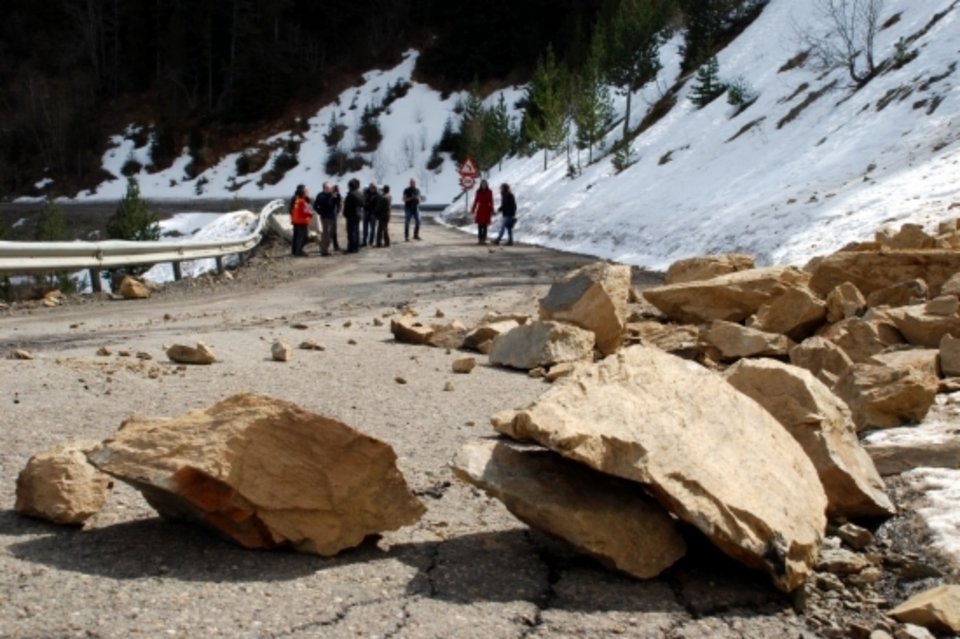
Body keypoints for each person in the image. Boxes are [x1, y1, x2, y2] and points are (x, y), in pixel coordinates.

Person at [313, 182, 337, 256]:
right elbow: (315, 205)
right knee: (326, 234)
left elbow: (336, 203)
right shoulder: (321, 196)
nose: (330, 189)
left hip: (333, 216)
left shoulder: (333, 195)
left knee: (331, 233)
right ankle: (324, 250)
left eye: (331, 188)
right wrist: (320, 212)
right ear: (324, 188)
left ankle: (327, 248)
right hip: (325, 217)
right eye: (328, 188)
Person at [289, 184, 312, 257]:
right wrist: (310, 213)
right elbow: (305, 211)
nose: (308, 192)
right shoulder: (302, 200)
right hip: (301, 221)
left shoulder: (295, 199)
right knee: (304, 237)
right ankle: (298, 251)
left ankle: (295, 251)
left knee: (296, 237)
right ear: (302, 191)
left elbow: (291, 210)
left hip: (296, 221)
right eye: (306, 190)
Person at [343, 178, 363, 253]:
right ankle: (356, 247)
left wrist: (345, 214)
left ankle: (351, 248)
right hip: (358, 214)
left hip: (351, 215)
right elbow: (362, 204)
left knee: (351, 232)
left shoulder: (350, 195)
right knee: (357, 231)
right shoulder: (360, 194)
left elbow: (346, 206)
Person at [471, 179, 494, 245]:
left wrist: (492, 210)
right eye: (482, 184)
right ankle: (480, 239)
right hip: (480, 209)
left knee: (485, 225)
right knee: (480, 225)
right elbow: (476, 200)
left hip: (487, 209)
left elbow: (491, 201)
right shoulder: (478, 192)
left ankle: (484, 239)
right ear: (481, 185)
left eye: (485, 184)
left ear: (487, 185)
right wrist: (473, 209)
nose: (484, 185)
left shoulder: (489, 191)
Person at [362, 182, 380, 247]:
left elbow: (378, 205)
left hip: (373, 214)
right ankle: (364, 241)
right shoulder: (366, 193)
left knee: (373, 228)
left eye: (374, 187)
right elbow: (363, 201)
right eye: (372, 187)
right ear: (369, 187)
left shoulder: (377, 195)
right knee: (365, 228)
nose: (373, 189)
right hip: (366, 212)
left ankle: (371, 241)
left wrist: (375, 213)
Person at [330, 184, 343, 251]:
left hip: (333, 214)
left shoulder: (334, 195)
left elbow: (339, 204)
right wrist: (338, 211)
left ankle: (334, 245)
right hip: (333, 215)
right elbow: (339, 204)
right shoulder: (336, 195)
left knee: (332, 231)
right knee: (333, 231)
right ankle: (335, 245)